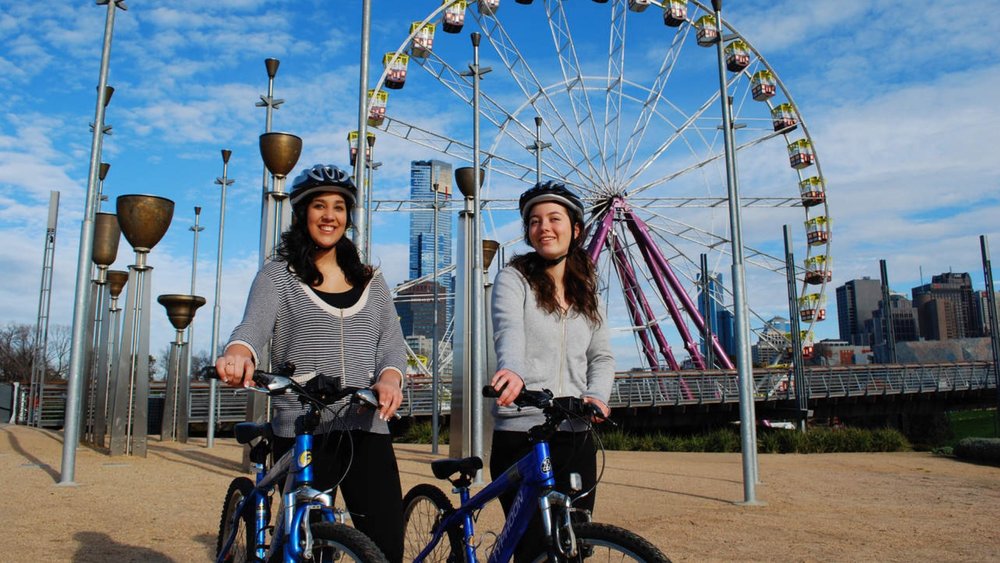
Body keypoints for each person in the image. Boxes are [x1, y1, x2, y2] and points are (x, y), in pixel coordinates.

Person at [215, 164, 405, 562]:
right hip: (304, 424)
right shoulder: (277, 277)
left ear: (348, 217)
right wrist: (238, 351)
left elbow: (390, 344)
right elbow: (253, 327)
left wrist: (389, 379)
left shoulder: (372, 280)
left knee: (385, 542)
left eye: (339, 207)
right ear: (302, 214)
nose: (329, 216)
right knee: (305, 542)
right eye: (319, 206)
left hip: (363, 422)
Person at [488, 181, 615, 561]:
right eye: (535, 221)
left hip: (575, 431)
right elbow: (507, 330)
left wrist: (597, 395)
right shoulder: (514, 279)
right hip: (521, 431)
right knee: (532, 550)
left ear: (576, 229)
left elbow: (603, 355)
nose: (544, 227)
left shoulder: (587, 288)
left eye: (554, 219)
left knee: (572, 545)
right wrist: (513, 370)